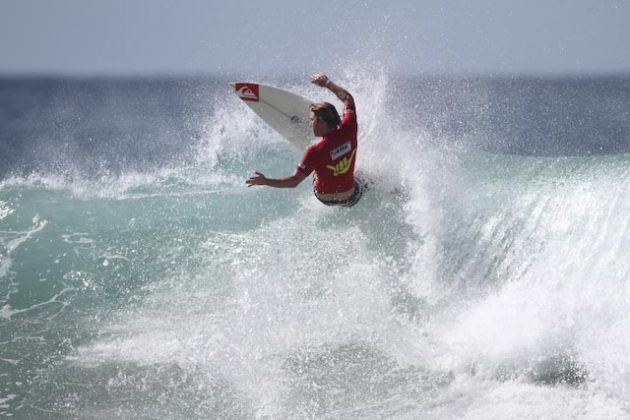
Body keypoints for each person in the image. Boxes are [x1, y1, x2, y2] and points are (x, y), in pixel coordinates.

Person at [245, 73, 363, 207]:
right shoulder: (349, 128)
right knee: (364, 179)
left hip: (324, 198)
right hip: (349, 196)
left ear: (322, 123)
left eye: (312, 120)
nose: (310, 123)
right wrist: (327, 83)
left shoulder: (314, 151)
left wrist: (265, 181)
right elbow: (348, 98)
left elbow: (294, 181)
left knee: (316, 172)